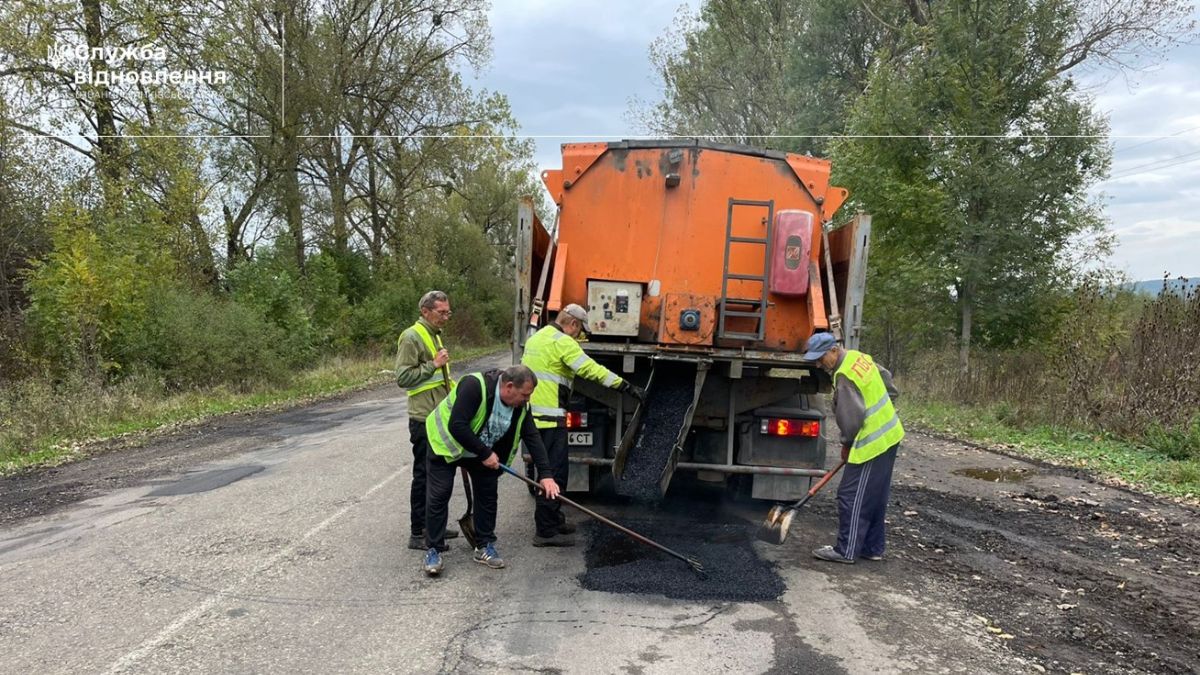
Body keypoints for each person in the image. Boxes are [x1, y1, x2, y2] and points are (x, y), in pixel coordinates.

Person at [520, 303, 644, 546]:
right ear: (573, 324)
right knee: (553, 475)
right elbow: (590, 369)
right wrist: (625, 386)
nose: (579, 335)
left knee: (552, 471)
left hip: (533, 417)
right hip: (549, 419)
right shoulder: (563, 342)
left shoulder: (538, 337)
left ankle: (554, 520)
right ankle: (545, 532)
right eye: (580, 330)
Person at [422, 364, 560, 575]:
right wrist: (485, 453)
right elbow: (457, 425)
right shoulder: (474, 386)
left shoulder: (521, 407)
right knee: (440, 494)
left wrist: (547, 475)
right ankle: (433, 549)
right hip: (446, 444)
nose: (527, 400)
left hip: (480, 450)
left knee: (487, 493)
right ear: (509, 387)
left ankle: (484, 545)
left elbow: (532, 437)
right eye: (525, 395)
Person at [801, 332, 905, 564]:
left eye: (821, 358)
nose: (819, 364)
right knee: (875, 496)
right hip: (890, 434)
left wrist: (847, 444)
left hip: (873, 442)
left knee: (850, 494)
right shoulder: (858, 357)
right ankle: (872, 548)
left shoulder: (844, 376)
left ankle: (845, 550)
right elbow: (886, 378)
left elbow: (851, 420)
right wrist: (888, 401)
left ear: (834, 350)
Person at [395, 290, 459, 551]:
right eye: (441, 312)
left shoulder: (435, 334)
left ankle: (434, 526)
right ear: (425, 311)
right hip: (422, 418)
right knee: (423, 475)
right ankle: (418, 532)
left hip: (438, 416)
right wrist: (433, 364)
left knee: (437, 475)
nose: (446, 317)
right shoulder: (411, 337)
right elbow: (403, 378)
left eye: (448, 312)